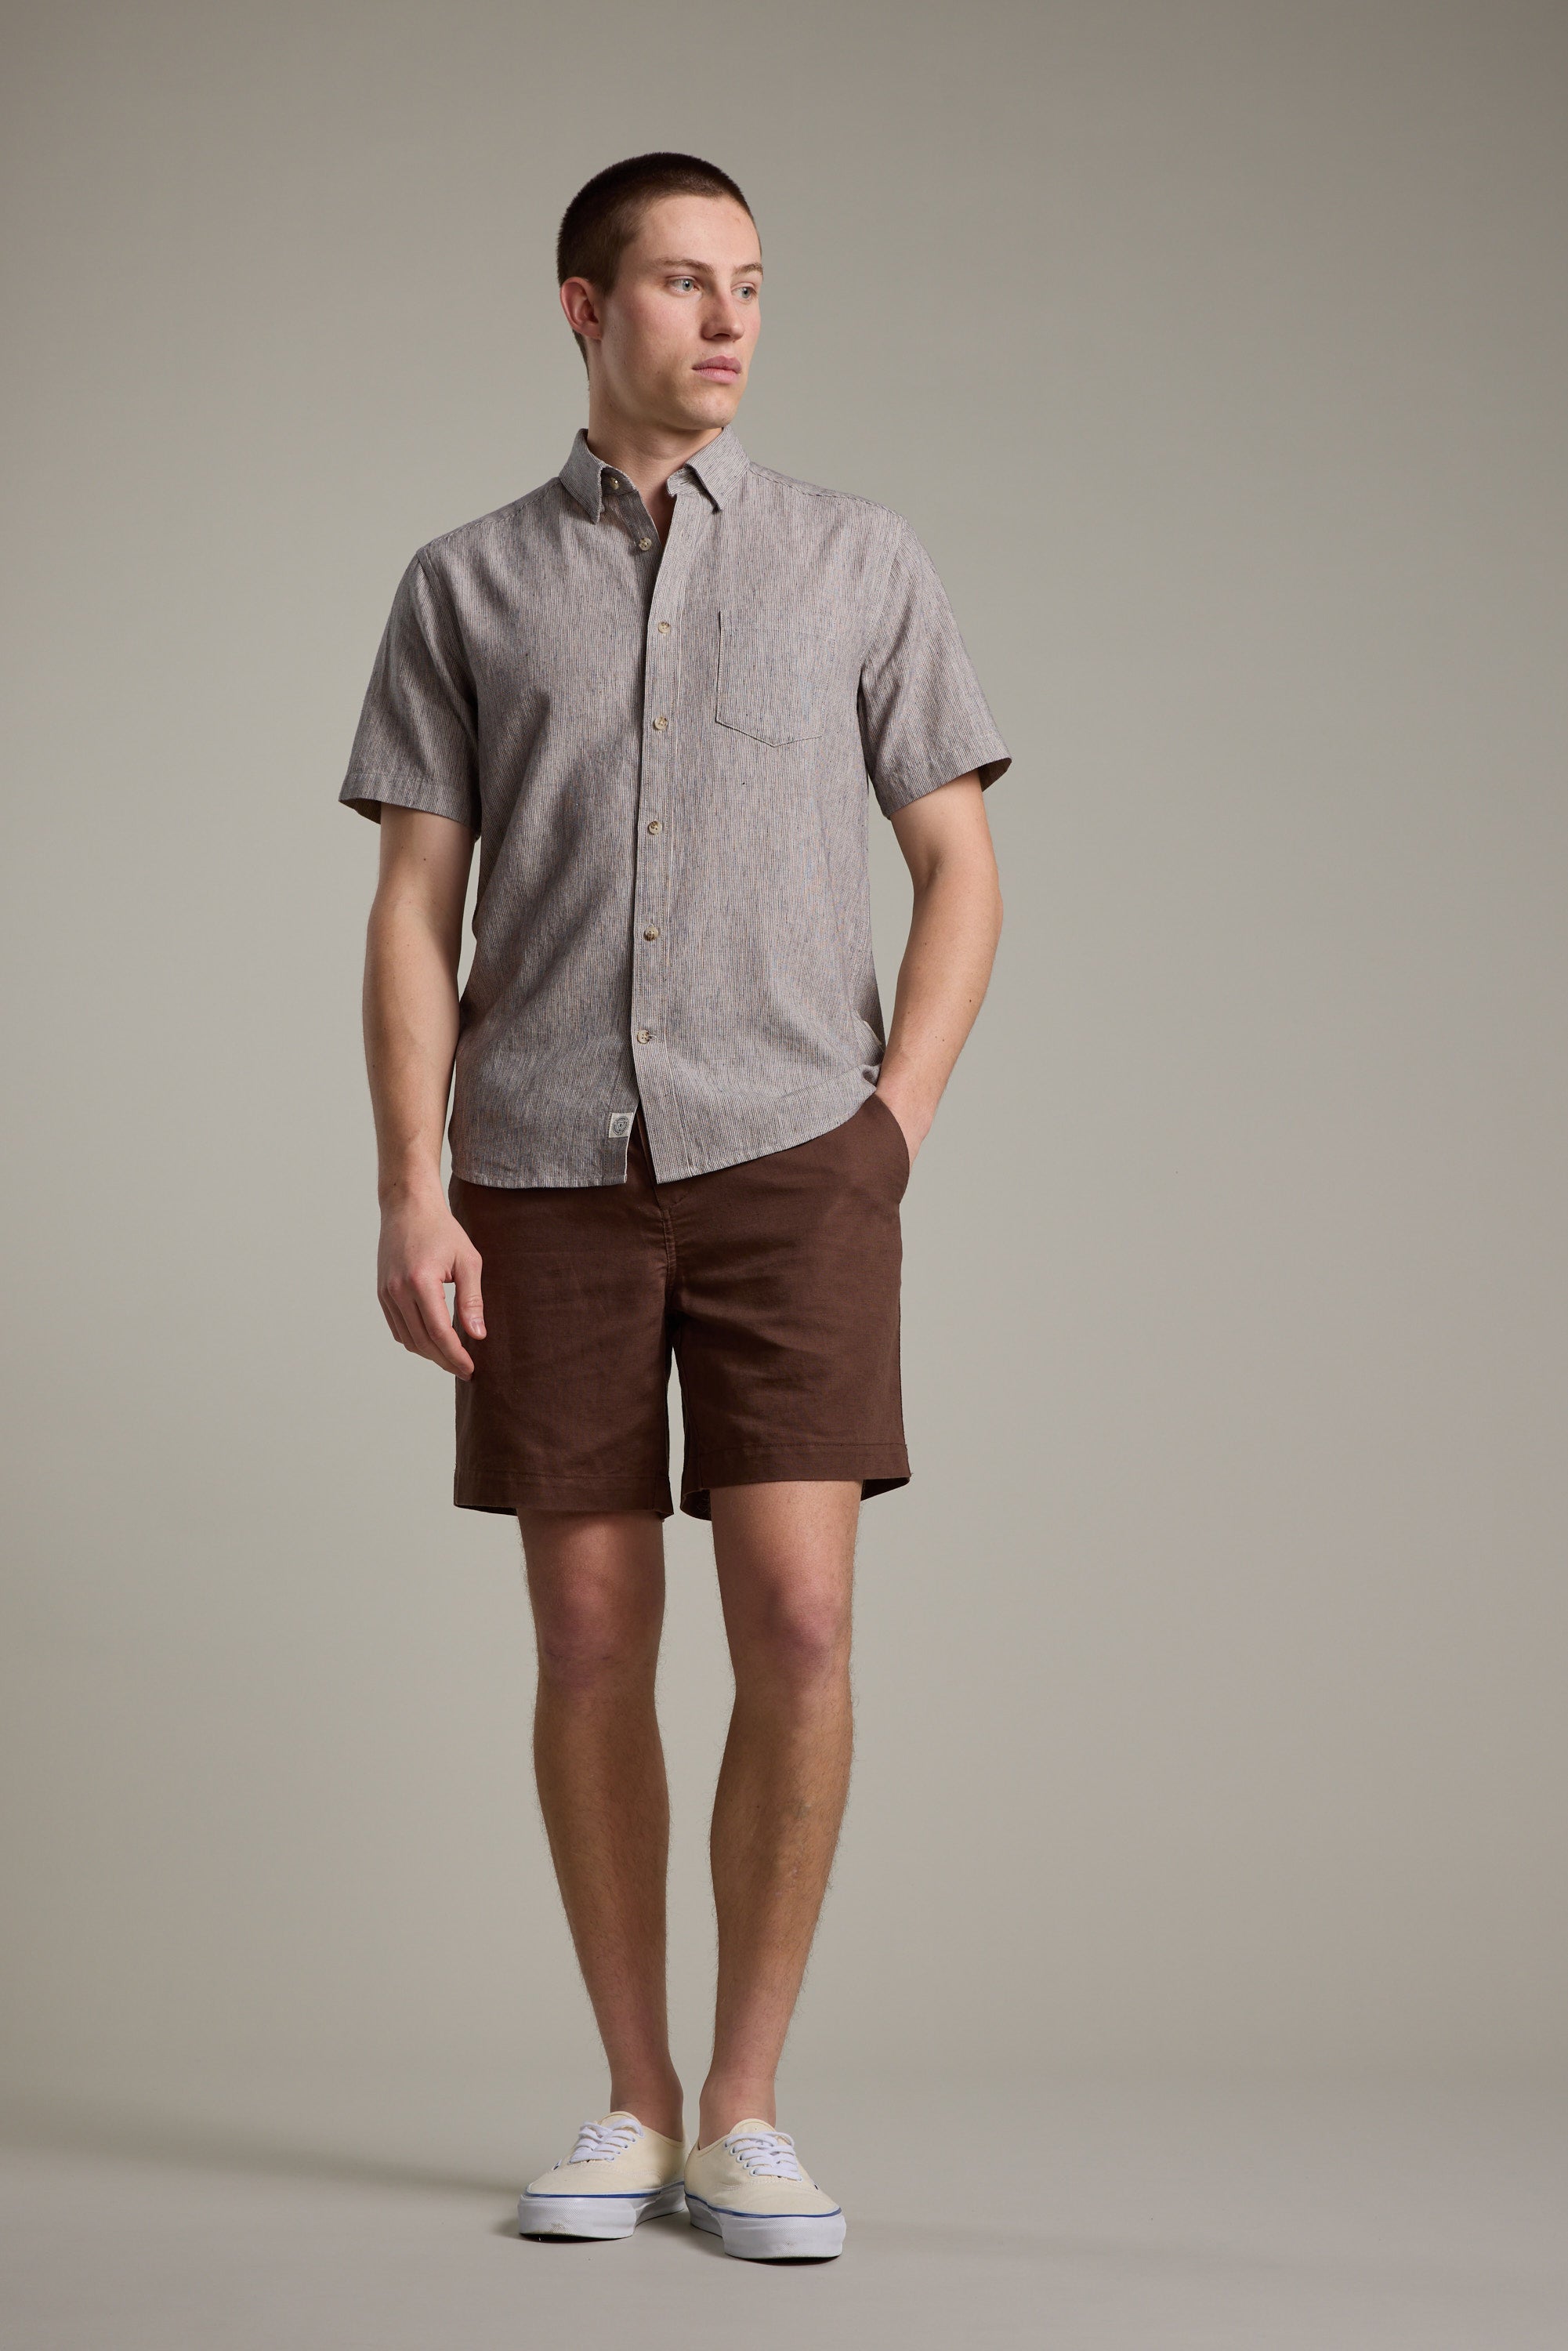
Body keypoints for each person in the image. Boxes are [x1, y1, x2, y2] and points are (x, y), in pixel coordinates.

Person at [337, 151, 1010, 2263]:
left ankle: (748, 2110)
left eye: (747, 288)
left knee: (797, 1622)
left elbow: (961, 866)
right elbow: (412, 909)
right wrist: (409, 1188)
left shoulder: (856, 561)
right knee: (588, 1633)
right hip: (539, 1175)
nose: (723, 323)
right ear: (579, 307)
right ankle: (629, 2097)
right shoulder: (461, 585)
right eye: (677, 285)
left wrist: (886, 1127)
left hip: (793, 1164)